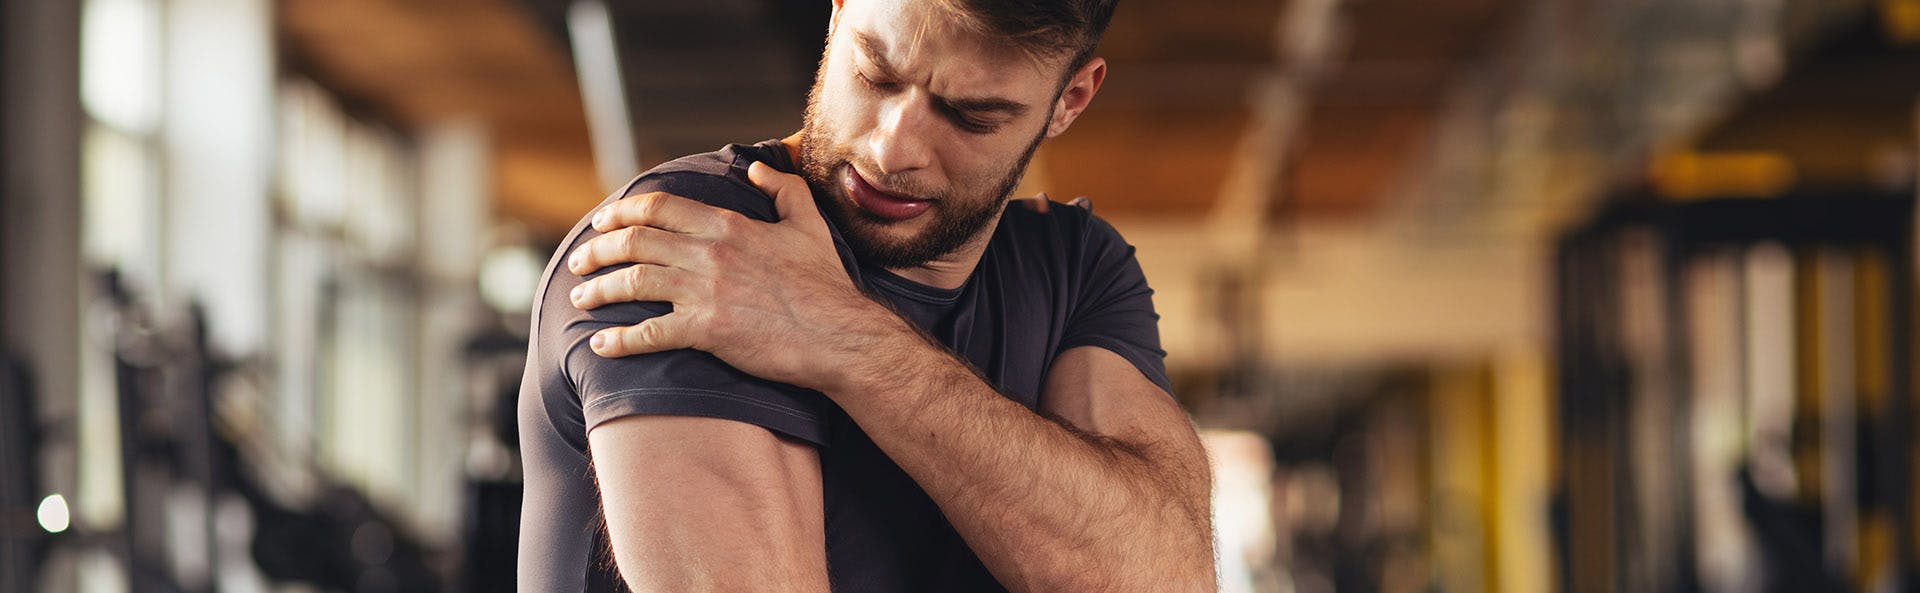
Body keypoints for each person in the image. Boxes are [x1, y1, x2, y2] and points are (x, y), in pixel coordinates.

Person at [516, 0, 1216, 591]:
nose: (892, 149)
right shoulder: (698, 242)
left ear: (1070, 100)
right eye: (874, 73)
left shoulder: (1072, 265)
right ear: (840, 6)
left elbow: (1166, 573)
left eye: (971, 116)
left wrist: (847, 337)